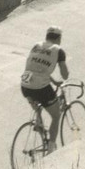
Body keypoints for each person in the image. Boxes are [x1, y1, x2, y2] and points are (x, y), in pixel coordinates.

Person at [19, 26, 70, 154]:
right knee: (56, 115)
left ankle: (39, 124)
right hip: (40, 88)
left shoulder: (36, 45)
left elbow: (37, 68)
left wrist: (53, 81)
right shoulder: (58, 50)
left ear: (47, 36)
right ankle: (51, 150)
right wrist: (63, 71)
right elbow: (65, 75)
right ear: (59, 38)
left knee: (38, 104)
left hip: (25, 85)